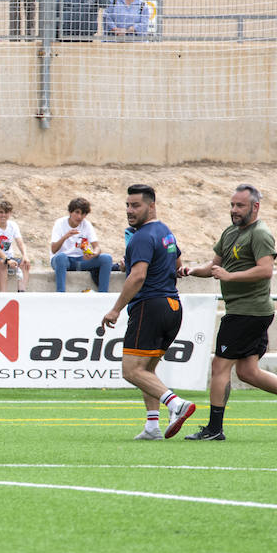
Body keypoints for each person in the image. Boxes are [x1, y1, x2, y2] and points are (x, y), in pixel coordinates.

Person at [180, 184, 277, 440]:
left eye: (240, 205)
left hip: (249, 312)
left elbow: (265, 269)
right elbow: (214, 266)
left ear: (255, 206)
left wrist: (230, 277)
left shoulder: (260, 233)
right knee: (248, 372)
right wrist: (190, 271)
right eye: (232, 205)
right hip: (246, 311)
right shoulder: (231, 232)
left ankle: (214, 429)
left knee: (219, 366)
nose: (234, 210)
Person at [100, 183, 195, 441]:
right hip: (172, 307)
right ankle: (152, 427)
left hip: (150, 306)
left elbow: (138, 276)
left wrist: (115, 309)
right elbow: (176, 264)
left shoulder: (141, 236)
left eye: (136, 205)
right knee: (147, 371)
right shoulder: (165, 231)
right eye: (128, 205)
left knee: (131, 371)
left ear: (151, 206)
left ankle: (177, 405)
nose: (130, 210)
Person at [49, 197, 114, 292]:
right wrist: (65, 236)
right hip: (63, 261)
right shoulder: (60, 223)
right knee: (61, 257)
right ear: (70, 212)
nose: (79, 217)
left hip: (80, 260)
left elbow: (97, 247)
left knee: (106, 258)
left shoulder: (86, 225)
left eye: (83, 214)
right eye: (77, 212)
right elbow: (53, 249)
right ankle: (61, 294)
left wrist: (93, 253)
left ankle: (103, 294)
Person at [0, 200, 32, 293]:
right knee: (2, 262)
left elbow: (20, 242)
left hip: (8, 257)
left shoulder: (13, 225)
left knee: (25, 263)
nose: (3, 215)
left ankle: (22, 291)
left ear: (10, 213)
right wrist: (7, 260)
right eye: (1, 212)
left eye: (6, 212)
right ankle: (3, 294)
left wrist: (25, 255)